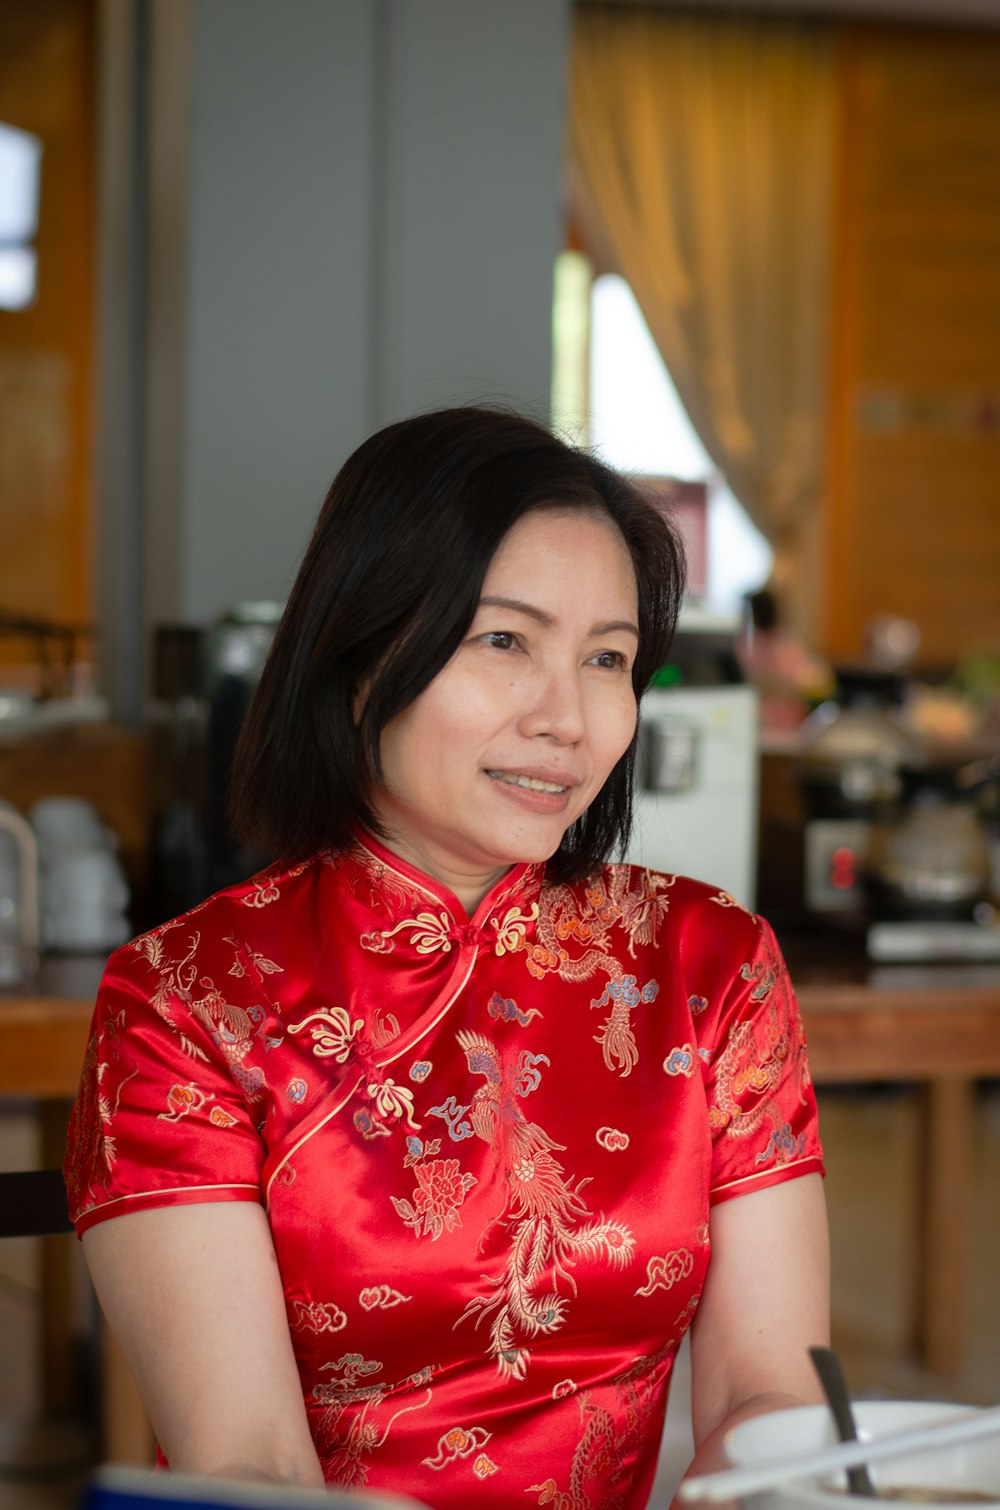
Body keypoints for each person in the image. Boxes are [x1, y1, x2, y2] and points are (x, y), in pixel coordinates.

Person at [65, 407, 828, 1509]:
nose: (566, 717)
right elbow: (250, 1466)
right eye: (504, 640)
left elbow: (768, 1390)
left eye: (606, 657)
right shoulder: (189, 999)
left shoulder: (708, 961)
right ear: (365, 652)